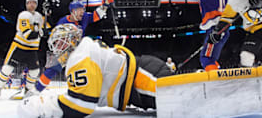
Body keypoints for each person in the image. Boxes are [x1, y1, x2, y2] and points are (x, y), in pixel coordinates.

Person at [18, 24, 172, 117]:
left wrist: (44, 107)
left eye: (59, 43)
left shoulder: (79, 57)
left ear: (71, 41)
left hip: (141, 77)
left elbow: (82, 104)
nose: (57, 50)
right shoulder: (83, 51)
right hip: (137, 79)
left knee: (183, 98)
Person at [30, 0, 114, 95]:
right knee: (52, 69)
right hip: (66, 49)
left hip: (79, 49)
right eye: (79, 10)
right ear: (73, 11)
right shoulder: (63, 21)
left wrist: (106, 4)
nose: (82, 12)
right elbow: (55, 36)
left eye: (83, 9)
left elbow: (97, 15)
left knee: (93, 64)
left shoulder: (85, 17)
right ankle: (36, 90)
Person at [0, 0, 44, 97]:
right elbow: (28, 35)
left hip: (32, 49)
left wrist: (48, 13)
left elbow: (48, 26)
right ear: (26, 4)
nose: (32, 4)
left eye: (34, 2)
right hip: (19, 47)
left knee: (35, 71)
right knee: (7, 68)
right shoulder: (23, 15)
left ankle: (28, 89)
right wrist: (41, 33)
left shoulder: (39, 16)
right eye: (29, 2)